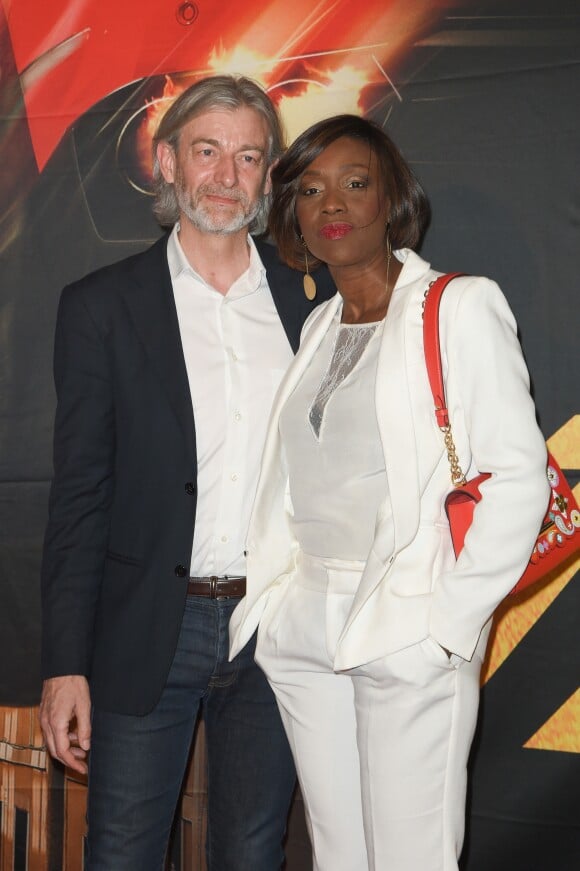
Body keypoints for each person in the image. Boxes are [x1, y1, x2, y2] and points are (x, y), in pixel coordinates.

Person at [229, 114, 550, 871]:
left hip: (404, 620)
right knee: (339, 854)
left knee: (411, 858)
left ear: (390, 199)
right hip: (306, 622)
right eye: (311, 189)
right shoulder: (318, 326)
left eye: (354, 183)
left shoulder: (459, 306)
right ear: (295, 216)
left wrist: (447, 625)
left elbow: (517, 473)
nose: (332, 203)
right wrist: (277, 610)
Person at [38, 75, 335, 870]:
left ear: (269, 176)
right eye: (207, 151)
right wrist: (64, 662)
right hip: (145, 633)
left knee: (252, 851)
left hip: (275, 631)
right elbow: (78, 498)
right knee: (124, 853)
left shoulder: (314, 304)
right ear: (168, 161)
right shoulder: (101, 307)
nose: (225, 176)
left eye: (247, 157)